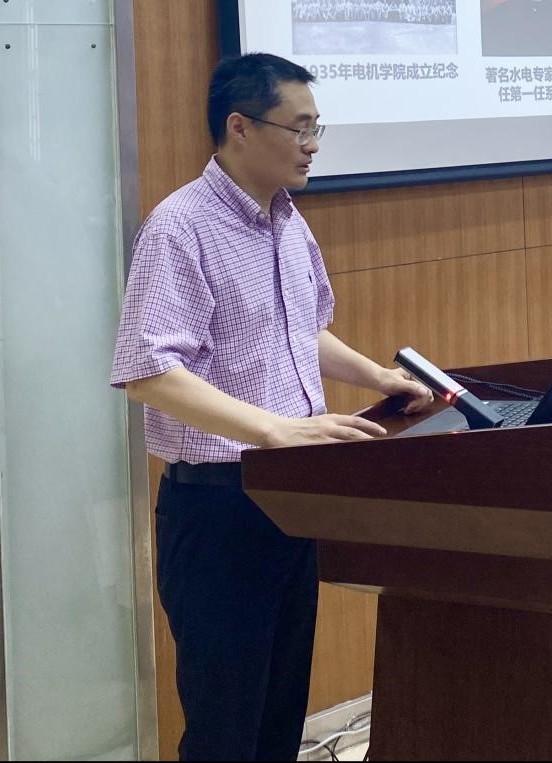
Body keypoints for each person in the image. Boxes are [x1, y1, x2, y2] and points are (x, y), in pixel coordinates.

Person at [109, 52, 433, 762]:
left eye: (318, 128)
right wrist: (275, 430)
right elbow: (149, 371)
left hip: (293, 499)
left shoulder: (286, 219)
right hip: (219, 509)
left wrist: (379, 375)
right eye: (300, 127)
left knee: (280, 716)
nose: (313, 145)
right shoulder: (180, 227)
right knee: (226, 731)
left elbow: (300, 331)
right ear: (241, 127)